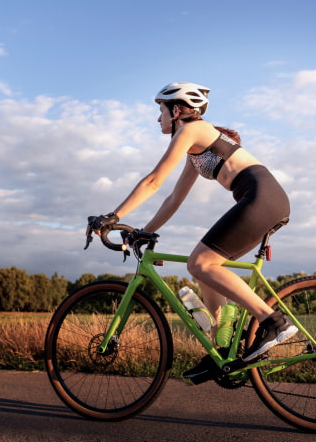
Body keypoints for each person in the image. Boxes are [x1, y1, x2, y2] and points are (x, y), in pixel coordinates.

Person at [89, 82, 297, 382]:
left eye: (160, 111)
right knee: (207, 269)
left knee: (199, 262)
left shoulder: (193, 129)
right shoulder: (195, 148)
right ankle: (222, 350)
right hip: (262, 198)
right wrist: (143, 232)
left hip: (262, 197)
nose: (157, 118)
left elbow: (153, 181)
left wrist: (113, 216)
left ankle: (273, 322)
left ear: (176, 110)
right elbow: (173, 199)